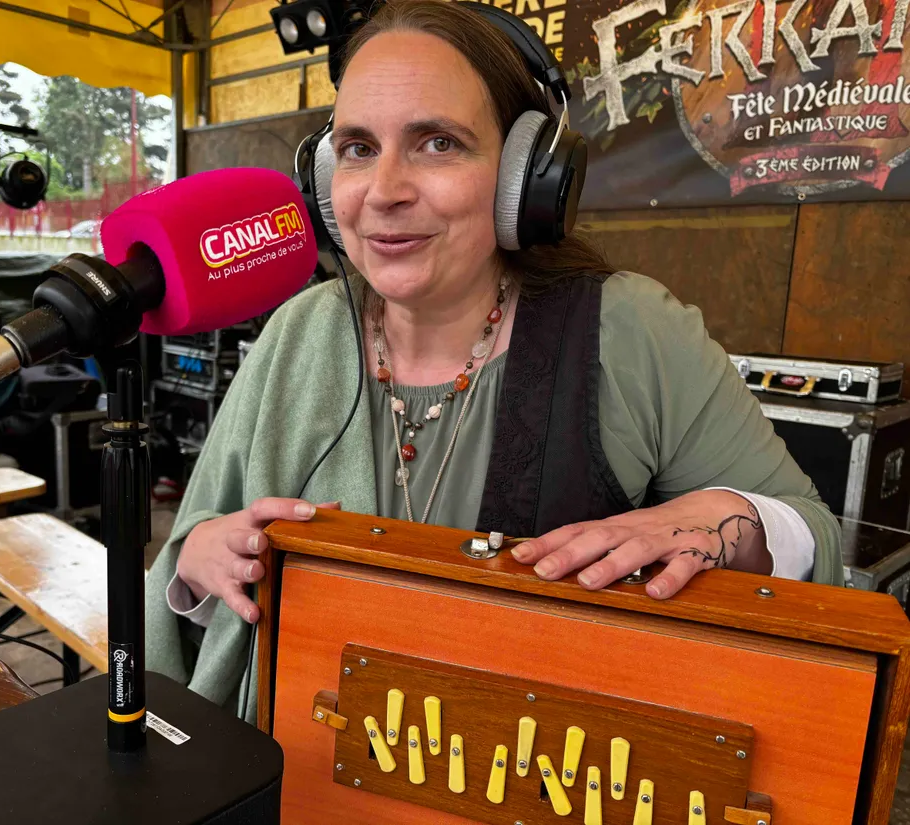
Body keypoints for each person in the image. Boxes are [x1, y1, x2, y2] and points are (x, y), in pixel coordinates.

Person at [144, 0, 841, 720]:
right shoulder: (298, 334)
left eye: (437, 143)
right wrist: (198, 562)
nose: (384, 191)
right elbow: (191, 565)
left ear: (527, 174)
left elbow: (819, 541)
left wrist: (729, 520)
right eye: (357, 148)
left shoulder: (631, 331)